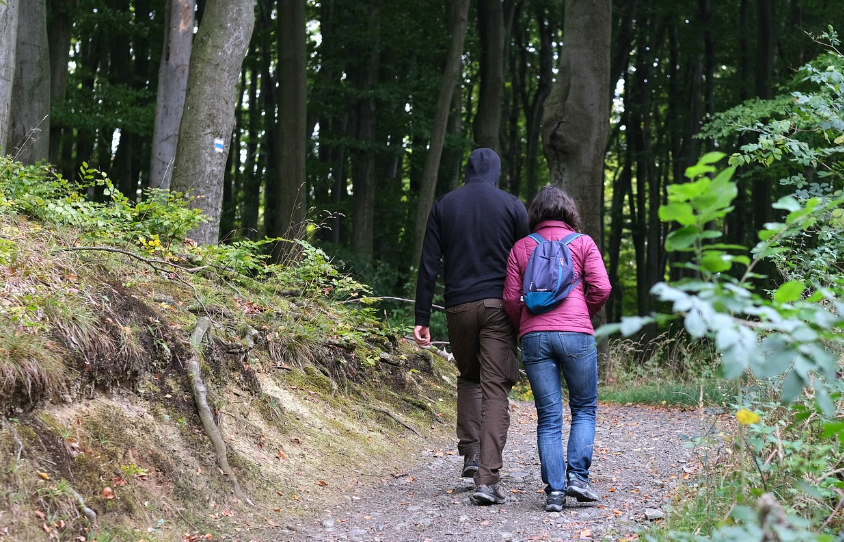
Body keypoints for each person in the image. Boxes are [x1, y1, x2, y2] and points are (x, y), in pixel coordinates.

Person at [414, 147, 529, 505]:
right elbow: (527, 259)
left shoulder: (444, 205)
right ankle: (487, 480)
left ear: (467, 171)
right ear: (496, 172)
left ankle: (472, 454)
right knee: (495, 388)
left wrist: (421, 317)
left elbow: (428, 263)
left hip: (458, 307)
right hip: (499, 307)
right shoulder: (512, 206)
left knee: (469, 377)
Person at [502, 185, 611, 512]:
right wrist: (582, 314)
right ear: (569, 212)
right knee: (584, 408)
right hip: (576, 333)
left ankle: (554, 493)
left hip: (535, 336)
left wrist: (525, 325)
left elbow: (510, 299)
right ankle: (578, 478)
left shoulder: (521, 247)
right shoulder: (583, 243)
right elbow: (602, 287)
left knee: (549, 417)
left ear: (535, 214)